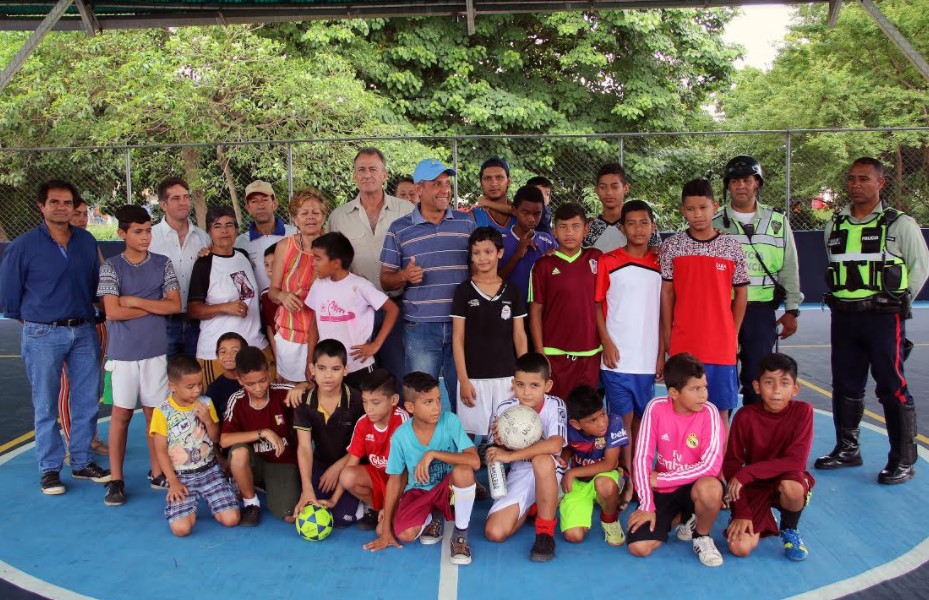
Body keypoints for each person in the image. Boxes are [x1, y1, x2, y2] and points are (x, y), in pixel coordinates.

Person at [815, 157, 929, 485]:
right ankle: (847, 448)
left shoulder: (899, 224)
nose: (856, 185)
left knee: (891, 386)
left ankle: (903, 458)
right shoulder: (834, 224)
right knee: (845, 384)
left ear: (881, 183)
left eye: (864, 179)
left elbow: (920, 266)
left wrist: (898, 302)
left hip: (882, 318)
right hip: (844, 318)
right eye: (851, 179)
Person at [0, 179, 111, 494]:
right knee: (45, 403)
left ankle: (81, 462)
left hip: (85, 331)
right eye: (55, 202)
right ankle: (49, 469)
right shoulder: (23, 247)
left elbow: (96, 287)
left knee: (87, 398)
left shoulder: (87, 242)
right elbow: (10, 299)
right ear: (42, 206)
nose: (62, 207)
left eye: (67, 203)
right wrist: (40, 324)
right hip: (42, 333)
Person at [98, 205, 181, 506]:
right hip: (122, 356)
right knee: (119, 416)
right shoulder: (110, 267)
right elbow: (112, 311)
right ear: (122, 233)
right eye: (138, 231)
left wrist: (132, 300)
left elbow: (173, 305)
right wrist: (150, 303)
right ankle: (116, 479)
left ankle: (158, 471)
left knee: (153, 414)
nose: (145, 236)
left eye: (148, 230)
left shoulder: (163, 263)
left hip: (155, 353)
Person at [380, 158, 476, 408]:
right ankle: (424, 447)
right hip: (420, 328)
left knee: (464, 396)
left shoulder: (466, 223)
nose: (445, 189)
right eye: (436, 184)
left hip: (461, 324)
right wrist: (404, 276)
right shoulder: (399, 229)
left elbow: (478, 269)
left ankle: (461, 446)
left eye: (447, 183)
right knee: (422, 397)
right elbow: (385, 280)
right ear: (419, 189)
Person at [713, 155, 803, 405]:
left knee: (758, 379)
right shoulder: (713, 222)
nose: (741, 185)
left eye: (746, 180)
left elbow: (789, 268)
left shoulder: (777, 221)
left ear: (757, 183)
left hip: (761, 313)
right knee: (721, 379)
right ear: (728, 185)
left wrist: (792, 309)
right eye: (734, 181)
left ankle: (755, 437)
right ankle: (723, 437)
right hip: (723, 311)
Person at [364, 372, 479, 567]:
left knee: (464, 471)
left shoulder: (449, 421)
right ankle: (433, 516)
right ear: (410, 407)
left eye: (438, 400)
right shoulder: (400, 436)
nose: (436, 407)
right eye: (428, 402)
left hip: (448, 488)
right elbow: (394, 480)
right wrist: (385, 531)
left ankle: (460, 536)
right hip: (418, 491)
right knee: (403, 535)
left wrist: (433, 454)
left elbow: (475, 461)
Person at [660, 179, 748, 425]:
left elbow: (741, 294)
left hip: (720, 344)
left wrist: (734, 333)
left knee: (720, 411)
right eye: (690, 209)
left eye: (703, 207)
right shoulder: (673, 246)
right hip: (684, 343)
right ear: (682, 210)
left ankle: (719, 464)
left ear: (715, 207)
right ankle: (682, 461)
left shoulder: (731, 247)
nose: (697, 214)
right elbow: (667, 293)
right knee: (682, 409)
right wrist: (667, 333)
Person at [627, 353, 726, 567]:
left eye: (704, 387)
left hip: (695, 485)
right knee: (639, 547)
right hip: (666, 491)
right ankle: (685, 518)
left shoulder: (710, 413)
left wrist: (661, 480)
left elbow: (711, 466)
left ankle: (701, 535)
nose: (703, 395)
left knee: (711, 488)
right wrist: (646, 504)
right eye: (695, 389)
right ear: (673, 393)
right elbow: (642, 457)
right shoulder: (656, 408)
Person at [595, 199, 663, 505]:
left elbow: (663, 313)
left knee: (640, 420)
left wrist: (661, 353)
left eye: (644, 222)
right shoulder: (609, 261)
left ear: (653, 226)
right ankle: (629, 478)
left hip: (647, 359)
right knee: (621, 419)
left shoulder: (662, 264)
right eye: (631, 223)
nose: (638, 228)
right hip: (617, 358)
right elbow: (597, 305)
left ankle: (637, 473)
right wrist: (606, 342)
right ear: (622, 228)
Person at [329, 148, 414, 387]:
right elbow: (332, 262)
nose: (367, 175)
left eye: (373, 169)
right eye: (361, 170)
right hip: (357, 311)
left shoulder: (407, 211)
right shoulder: (339, 217)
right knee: (359, 377)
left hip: (396, 307)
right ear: (354, 176)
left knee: (398, 374)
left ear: (384, 175)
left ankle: (399, 422)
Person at [724, 353, 815, 561]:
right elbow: (731, 465)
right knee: (740, 548)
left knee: (793, 488)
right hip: (754, 485)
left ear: (795, 389)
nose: (776, 390)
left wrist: (748, 472)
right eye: (768, 382)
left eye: (784, 383)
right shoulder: (745, 416)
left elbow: (796, 461)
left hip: (785, 478)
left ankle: (789, 528)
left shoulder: (803, 411)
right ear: (756, 387)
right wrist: (742, 511)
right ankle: (760, 514)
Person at [484, 352, 567, 562]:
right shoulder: (505, 409)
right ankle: (535, 505)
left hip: (549, 470)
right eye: (520, 385)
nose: (526, 392)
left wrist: (511, 456)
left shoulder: (555, 405)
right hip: (521, 471)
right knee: (495, 533)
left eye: (534, 385)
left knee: (542, 459)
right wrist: (498, 444)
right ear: (513, 384)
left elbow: (555, 443)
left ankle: (545, 533)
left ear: (547, 386)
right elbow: (492, 452)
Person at [150, 355, 240, 536]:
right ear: (172, 387)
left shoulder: (206, 403)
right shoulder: (161, 412)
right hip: (182, 477)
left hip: (210, 471)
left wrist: (208, 420)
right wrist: (173, 482)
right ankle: (182, 507)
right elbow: (160, 450)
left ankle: (226, 488)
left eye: (199, 384)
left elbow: (215, 438)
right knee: (181, 529)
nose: (197, 390)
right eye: (190, 387)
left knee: (231, 519)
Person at [451, 227, 528, 436]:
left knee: (508, 432)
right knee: (472, 435)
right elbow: (457, 338)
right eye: (476, 253)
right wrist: (463, 380)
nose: (482, 258)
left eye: (488, 252)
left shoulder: (512, 291)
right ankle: (472, 466)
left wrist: (524, 376)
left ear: (500, 252)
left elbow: (520, 336)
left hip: (507, 377)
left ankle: (501, 466)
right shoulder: (463, 291)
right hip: (474, 377)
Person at [188, 206, 270, 387]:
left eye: (229, 225)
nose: (224, 231)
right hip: (219, 355)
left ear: (236, 229)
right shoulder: (204, 264)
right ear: (209, 231)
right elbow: (193, 310)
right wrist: (224, 307)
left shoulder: (243, 255)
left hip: (254, 346)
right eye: (217, 226)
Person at [305, 232, 399, 389]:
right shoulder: (318, 285)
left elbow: (392, 309)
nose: (313, 263)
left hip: (359, 367)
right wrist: (310, 362)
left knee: (362, 409)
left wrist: (375, 345)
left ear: (336, 263)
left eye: (318, 259)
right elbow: (314, 324)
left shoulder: (360, 285)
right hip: (329, 370)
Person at [529, 203, 602, 400]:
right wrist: (539, 351)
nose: (569, 232)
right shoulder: (543, 265)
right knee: (556, 412)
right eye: (563, 227)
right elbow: (535, 310)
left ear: (585, 229)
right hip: (555, 353)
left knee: (586, 414)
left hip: (590, 353)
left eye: (575, 226)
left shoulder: (596, 258)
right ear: (554, 231)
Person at [221, 346, 299, 525]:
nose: (258, 388)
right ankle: (251, 503)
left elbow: (309, 389)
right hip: (254, 462)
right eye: (250, 384)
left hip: (282, 463)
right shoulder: (237, 400)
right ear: (239, 380)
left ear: (269, 371)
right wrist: (263, 433)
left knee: (290, 516)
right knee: (238, 453)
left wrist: (302, 387)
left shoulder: (283, 392)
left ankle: (265, 485)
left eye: (263, 380)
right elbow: (224, 440)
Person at [292, 339, 366, 527]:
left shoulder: (358, 400)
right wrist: (307, 488)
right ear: (312, 369)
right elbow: (304, 447)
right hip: (321, 464)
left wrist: (338, 468)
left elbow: (365, 444)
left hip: (352, 464)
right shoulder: (304, 402)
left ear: (345, 370)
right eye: (322, 368)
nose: (328, 376)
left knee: (341, 520)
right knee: (305, 508)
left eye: (335, 369)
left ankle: (365, 502)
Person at [59, 195, 108, 457]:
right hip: (69, 326)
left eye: (84, 214)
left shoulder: (89, 244)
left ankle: (90, 437)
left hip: (96, 323)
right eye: (76, 213)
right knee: (69, 385)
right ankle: (71, 442)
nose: (81, 218)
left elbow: (104, 280)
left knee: (93, 384)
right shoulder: (56, 248)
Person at [336, 369, 409, 530]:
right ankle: (378, 509)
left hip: (401, 484)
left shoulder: (402, 422)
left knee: (382, 531)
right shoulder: (363, 422)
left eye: (375, 403)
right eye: (364, 401)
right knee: (347, 476)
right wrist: (334, 500)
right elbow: (351, 464)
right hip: (379, 478)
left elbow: (404, 474)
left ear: (394, 400)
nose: (369, 409)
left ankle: (392, 509)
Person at [268, 188, 327, 383]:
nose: (310, 218)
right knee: (292, 393)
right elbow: (272, 292)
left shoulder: (333, 246)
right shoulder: (285, 246)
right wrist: (283, 296)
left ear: (323, 216)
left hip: (324, 333)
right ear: (294, 218)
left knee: (323, 390)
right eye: (304, 213)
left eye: (315, 212)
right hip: (290, 333)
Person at [148, 177, 211, 357]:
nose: (183, 202)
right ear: (163, 205)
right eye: (176, 198)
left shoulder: (202, 238)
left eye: (186, 197)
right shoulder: (150, 238)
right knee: (165, 377)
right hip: (162, 321)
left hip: (196, 320)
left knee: (194, 376)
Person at [560, 384, 628, 546]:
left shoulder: (614, 422)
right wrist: (564, 457)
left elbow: (609, 463)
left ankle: (610, 520)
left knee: (603, 484)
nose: (602, 423)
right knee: (574, 536)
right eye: (593, 420)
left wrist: (571, 473)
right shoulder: (567, 429)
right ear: (576, 424)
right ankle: (596, 499)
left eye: (602, 414)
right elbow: (569, 447)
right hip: (580, 482)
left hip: (606, 475)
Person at [234, 180, 297, 291]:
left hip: (291, 303)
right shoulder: (240, 243)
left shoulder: (294, 234)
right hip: (259, 307)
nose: (260, 206)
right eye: (254, 201)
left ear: (274, 204)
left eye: (265, 200)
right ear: (248, 208)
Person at [500, 185, 558, 302]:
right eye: (525, 213)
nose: (531, 219)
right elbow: (493, 279)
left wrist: (552, 262)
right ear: (514, 210)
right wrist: (517, 255)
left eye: (537, 214)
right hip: (508, 311)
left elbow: (561, 274)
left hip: (541, 310)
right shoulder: (499, 240)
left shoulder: (547, 240)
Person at [583, 163, 629, 252]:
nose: (609, 192)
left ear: (626, 188)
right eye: (603, 187)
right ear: (596, 189)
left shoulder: (639, 225)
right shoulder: (589, 228)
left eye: (615, 187)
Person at [205, 331, 247, 420]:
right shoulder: (214, 389)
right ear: (217, 356)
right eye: (223, 352)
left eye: (235, 351)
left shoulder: (253, 380)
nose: (228, 356)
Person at [471, 157, 515, 233]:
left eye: (499, 177)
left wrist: (486, 203)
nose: (494, 183)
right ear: (481, 183)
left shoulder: (523, 215)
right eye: (488, 178)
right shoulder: (472, 217)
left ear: (509, 181)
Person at [258, 244, 279, 360]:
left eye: (274, 264)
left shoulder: (297, 292)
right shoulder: (265, 295)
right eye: (266, 264)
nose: (270, 268)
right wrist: (277, 357)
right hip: (280, 350)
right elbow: (270, 328)